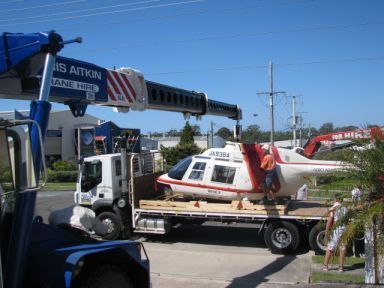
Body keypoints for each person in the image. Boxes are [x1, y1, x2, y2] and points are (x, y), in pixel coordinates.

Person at [323, 193, 349, 272]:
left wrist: (326, 231)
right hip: (344, 229)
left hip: (336, 230)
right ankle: (341, 267)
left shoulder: (334, 208)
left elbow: (330, 220)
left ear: (336, 199)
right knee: (342, 248)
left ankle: (325, 266)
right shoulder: (346, 208)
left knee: (330, 247)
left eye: (334, 199)